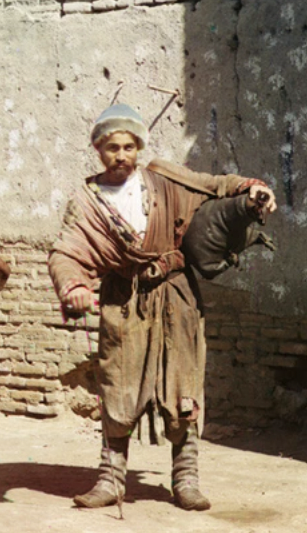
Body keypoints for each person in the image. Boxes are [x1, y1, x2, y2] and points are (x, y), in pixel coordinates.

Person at [48, 104, 276, 511]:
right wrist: (74, 285)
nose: (121, 155)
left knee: (183, 385)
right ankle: (110, 479)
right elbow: (65, 252)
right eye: (112, 147)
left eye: (129, 146)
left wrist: (254, 189)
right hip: (124, 300)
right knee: (118, 384)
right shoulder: (86, 203)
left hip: (176, 294)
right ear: (98, 151)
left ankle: (186, 479)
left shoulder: (163, 178)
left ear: (139, 146)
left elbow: (217, 185)